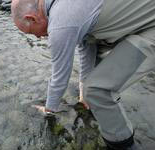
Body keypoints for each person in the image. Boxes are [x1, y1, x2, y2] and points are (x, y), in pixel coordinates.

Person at [11, 0, 155, 149]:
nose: (38, 38)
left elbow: (59, 77)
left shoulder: (61, 23)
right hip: (142, 24)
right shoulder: (65, 6)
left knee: (97, 90)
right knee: (91, 86)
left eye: (31, 32)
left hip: (150, 30)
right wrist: (82, 90)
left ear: (32, 18)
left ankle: (124, 145)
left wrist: (49, 110)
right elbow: (87, 45)